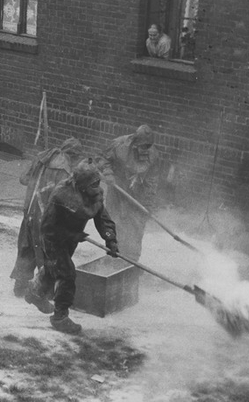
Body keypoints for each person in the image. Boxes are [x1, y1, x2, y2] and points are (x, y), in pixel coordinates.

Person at [25, 159, 119, 334]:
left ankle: (34, 292)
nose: (97, 187)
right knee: (67, 273)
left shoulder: (95, 194)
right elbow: (47, 226)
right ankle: (60, 317)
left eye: (98, 182)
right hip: (53, 237)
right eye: (93, 184)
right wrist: (71, 234)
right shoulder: (61, 195)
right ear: (81, 185)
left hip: (72, 237)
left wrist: (110, 239)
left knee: (55, 267)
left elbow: (102, 218)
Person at [10, 137, 84, 298]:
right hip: (46, 218)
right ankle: (43, 290)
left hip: (30, 211)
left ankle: (20, 285)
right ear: (74, 156)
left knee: (27, 246)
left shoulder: (43, 157)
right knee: (47, 252)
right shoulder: (64, 172)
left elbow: (23, 179)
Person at [98, 124, 162, 262]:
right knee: (115, 224)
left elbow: (152, 181)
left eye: (148, 146)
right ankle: (112, 259)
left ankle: (131, 262)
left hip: (138, 193)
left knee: (136, 227)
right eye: (142, 146)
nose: (145, 150)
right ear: (135, 142)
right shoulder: (119, 145)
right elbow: (103, 158)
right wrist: (108, 173)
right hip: (118, 190)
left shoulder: (153, 155)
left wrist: (148, 205)